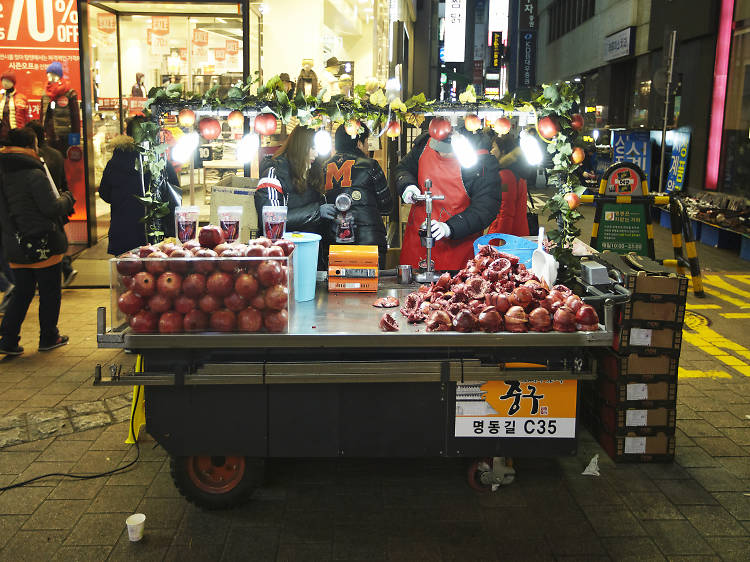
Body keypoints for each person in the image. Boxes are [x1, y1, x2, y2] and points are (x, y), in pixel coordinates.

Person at [0, 127, 75, 355]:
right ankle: (49, 336)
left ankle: (8, 340)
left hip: (15, 242)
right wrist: (67, 198)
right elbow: (51, 208)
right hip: (42, 242)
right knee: (49, 291)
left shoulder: (4, 173)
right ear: (29, 147)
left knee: (22, 292)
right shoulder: (34, 174)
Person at [395, 125, 501, 271]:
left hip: (458, 249)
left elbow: (486, 208)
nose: (441, 154)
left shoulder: (482, 162)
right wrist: (407, 186)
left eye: (447, 151)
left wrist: (449, 227)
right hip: (417, 242)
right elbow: (403, 169)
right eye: (437, 149)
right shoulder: (423, 145)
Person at [99, 117, 180, 256]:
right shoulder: (160, 163)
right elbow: (175, 199)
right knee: (153, 274)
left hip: (122, 234)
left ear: (128, 135)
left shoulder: (114, 162)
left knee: (124, 274)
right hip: (155, 236)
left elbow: (104, 194)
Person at [320, 125, 393, 267]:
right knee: (371, 286)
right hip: (369, 243)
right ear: (359, 143)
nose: (367, 147)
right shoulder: (371, 165)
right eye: (367, 142)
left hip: (334, 243)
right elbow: (387, 206)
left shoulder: (323, 168)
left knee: (338, 285)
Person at [26, 119, 77, 286]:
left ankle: (63, 268)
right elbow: (63, 181)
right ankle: (66, 267)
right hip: (57, 201)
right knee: (57, 239)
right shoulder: (55, 154)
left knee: (45, 242)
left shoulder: (33, 158)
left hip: (40, 205)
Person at [254, 125, 324, 235]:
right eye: (313, 148)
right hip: (281, 249)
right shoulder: (273, 174)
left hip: (309, 246)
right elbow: (272, 221)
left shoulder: (311, 176)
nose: (316, 154)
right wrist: (317, 212)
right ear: (300, 147)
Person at [487, 134, 530, 237]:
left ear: (503, 150)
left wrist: (500, 239)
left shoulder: (505, 175)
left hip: (508, 236)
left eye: (493, 147)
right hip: (517, 232)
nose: (491, 151)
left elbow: (505, 211)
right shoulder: (515, 170)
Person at [0, 70, 30, 135]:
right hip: (1, 132)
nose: (5, 83)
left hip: (17, 133)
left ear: (13, 82)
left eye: (8, 81)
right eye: (3, 80)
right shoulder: (0, 96)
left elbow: (26, 117)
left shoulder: (21, 98)